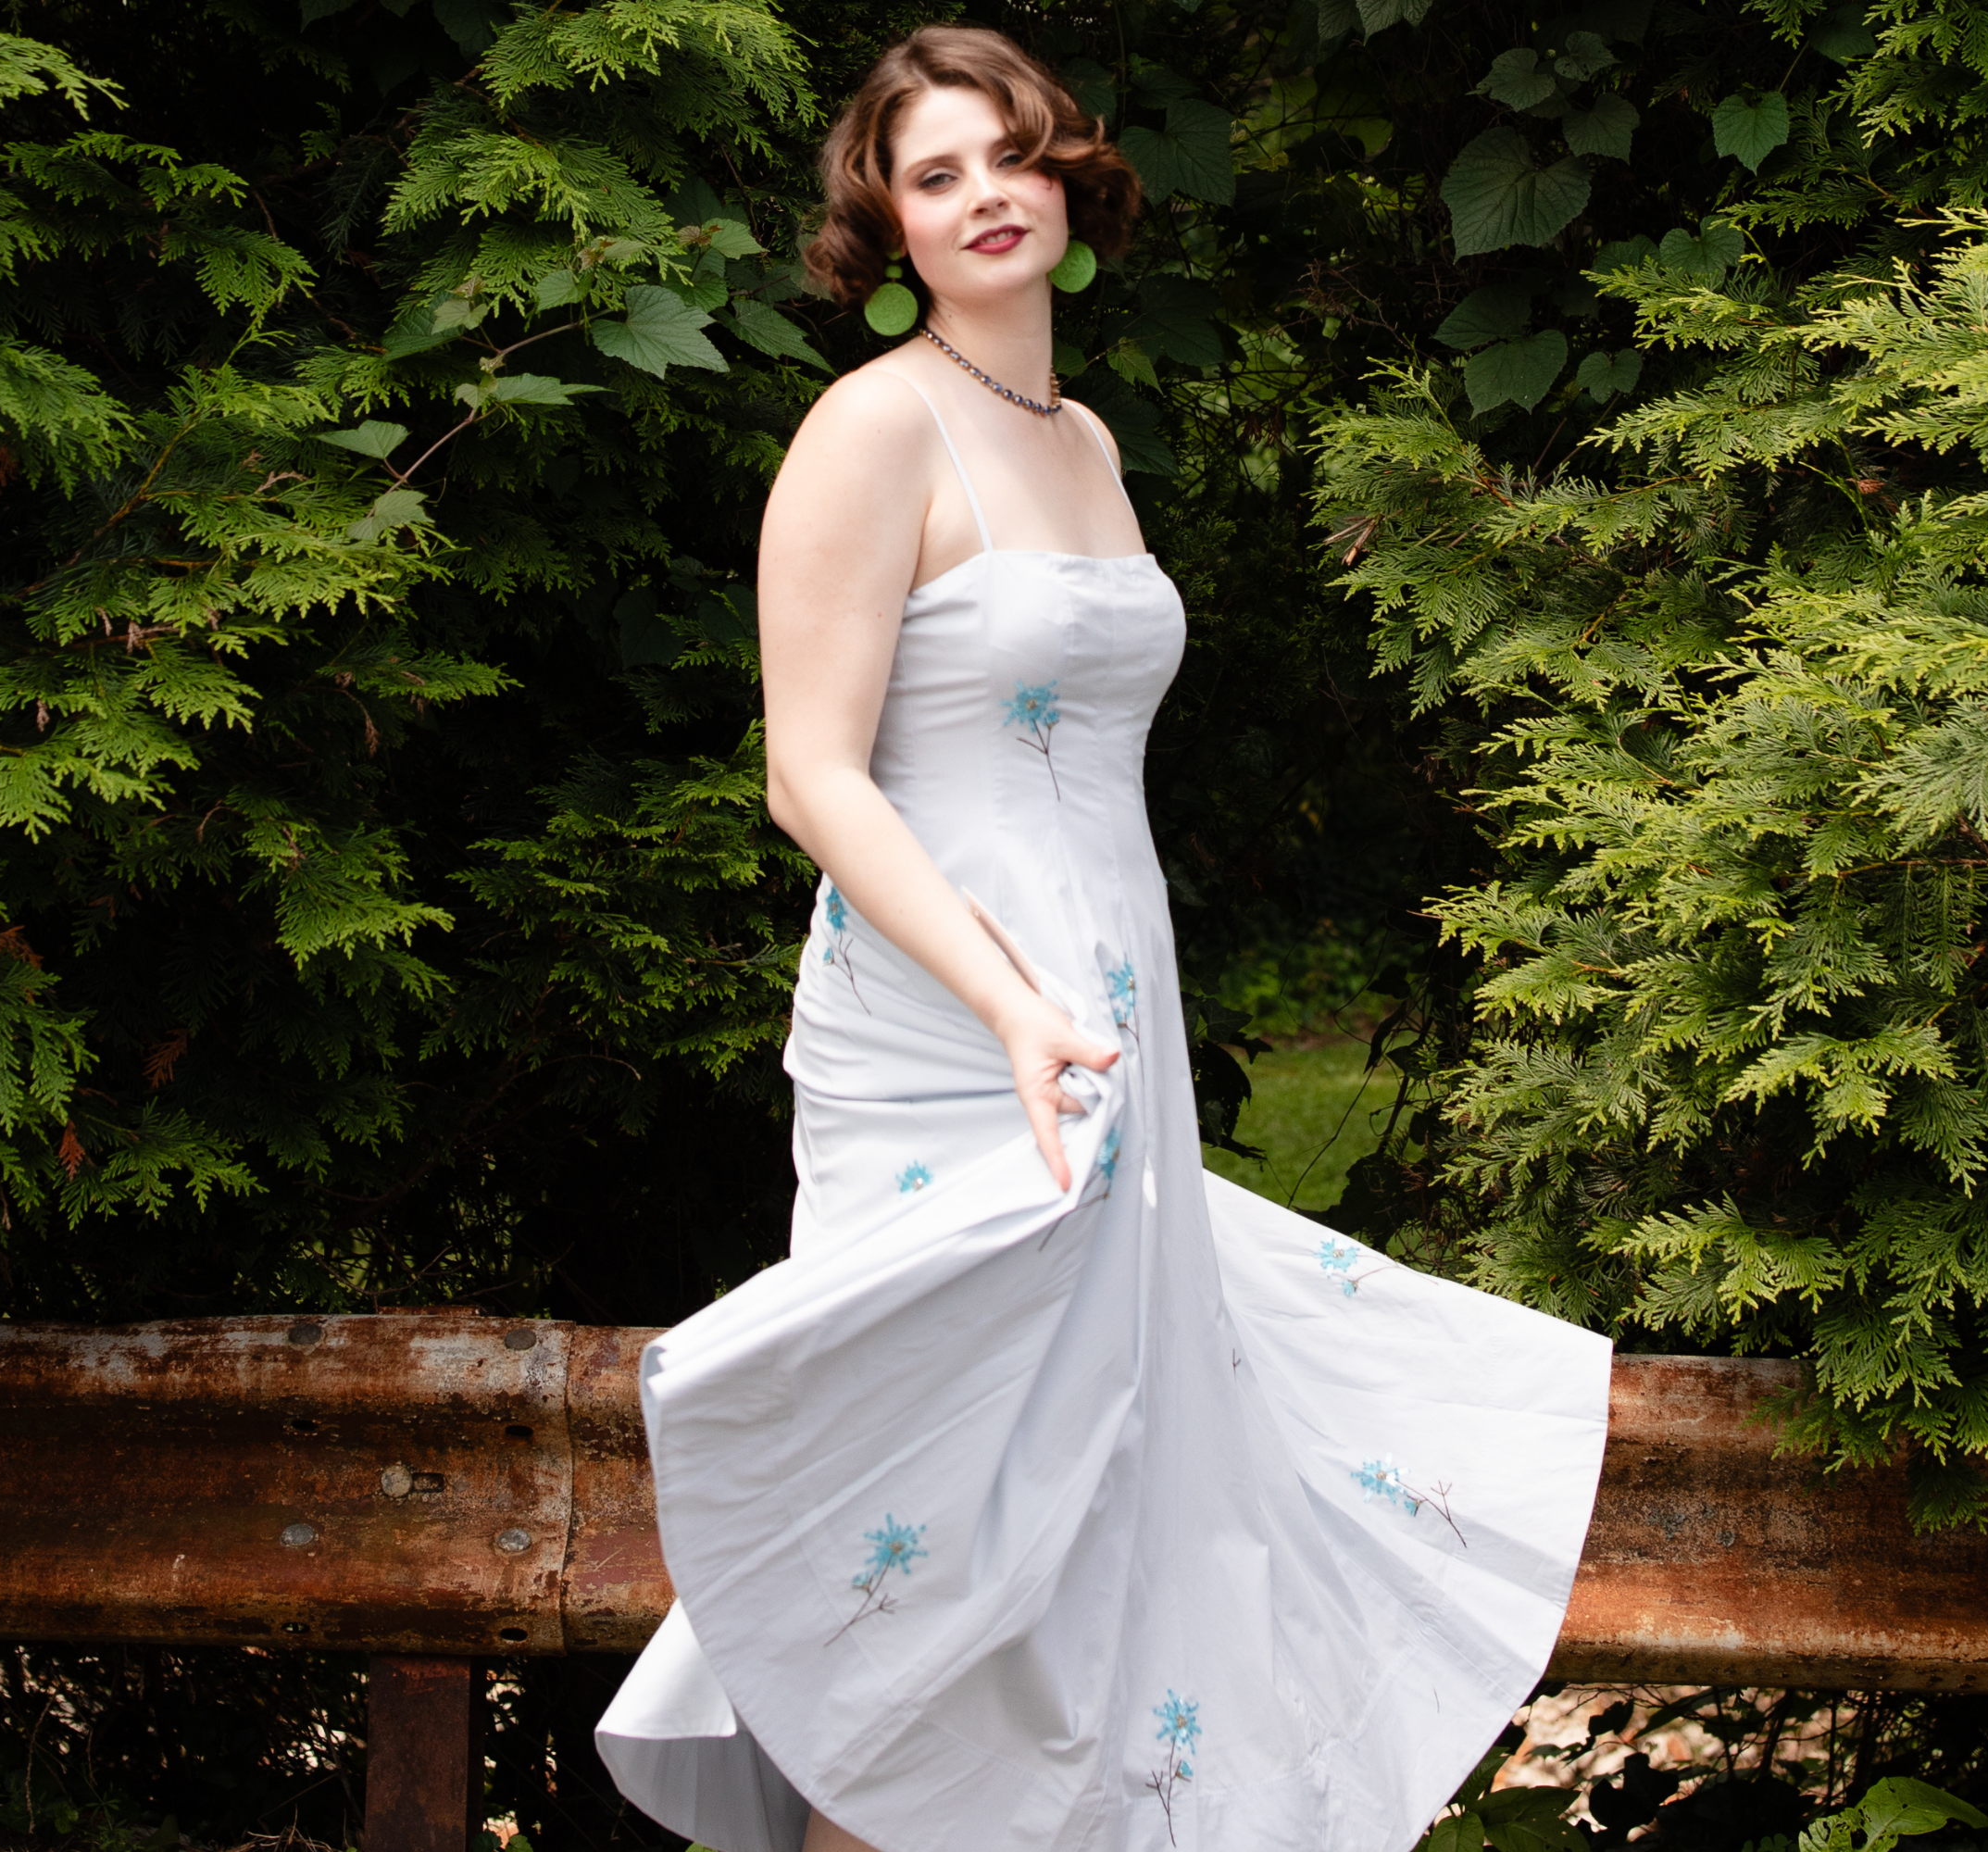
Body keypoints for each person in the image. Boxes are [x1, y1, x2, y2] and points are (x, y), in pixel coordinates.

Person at [593, 26, 1612, 1852]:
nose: (983, 195)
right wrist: (1005, 1006)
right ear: (884, 228)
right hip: (946, 1040)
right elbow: (811, 776)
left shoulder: (1080, 439)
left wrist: (1081, 1016)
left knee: (1096, 1543)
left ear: (1068, 178)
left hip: (1105, 1038)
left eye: (1010, 157)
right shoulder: (869, 426)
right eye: (933, 174)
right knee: (949, 1546)